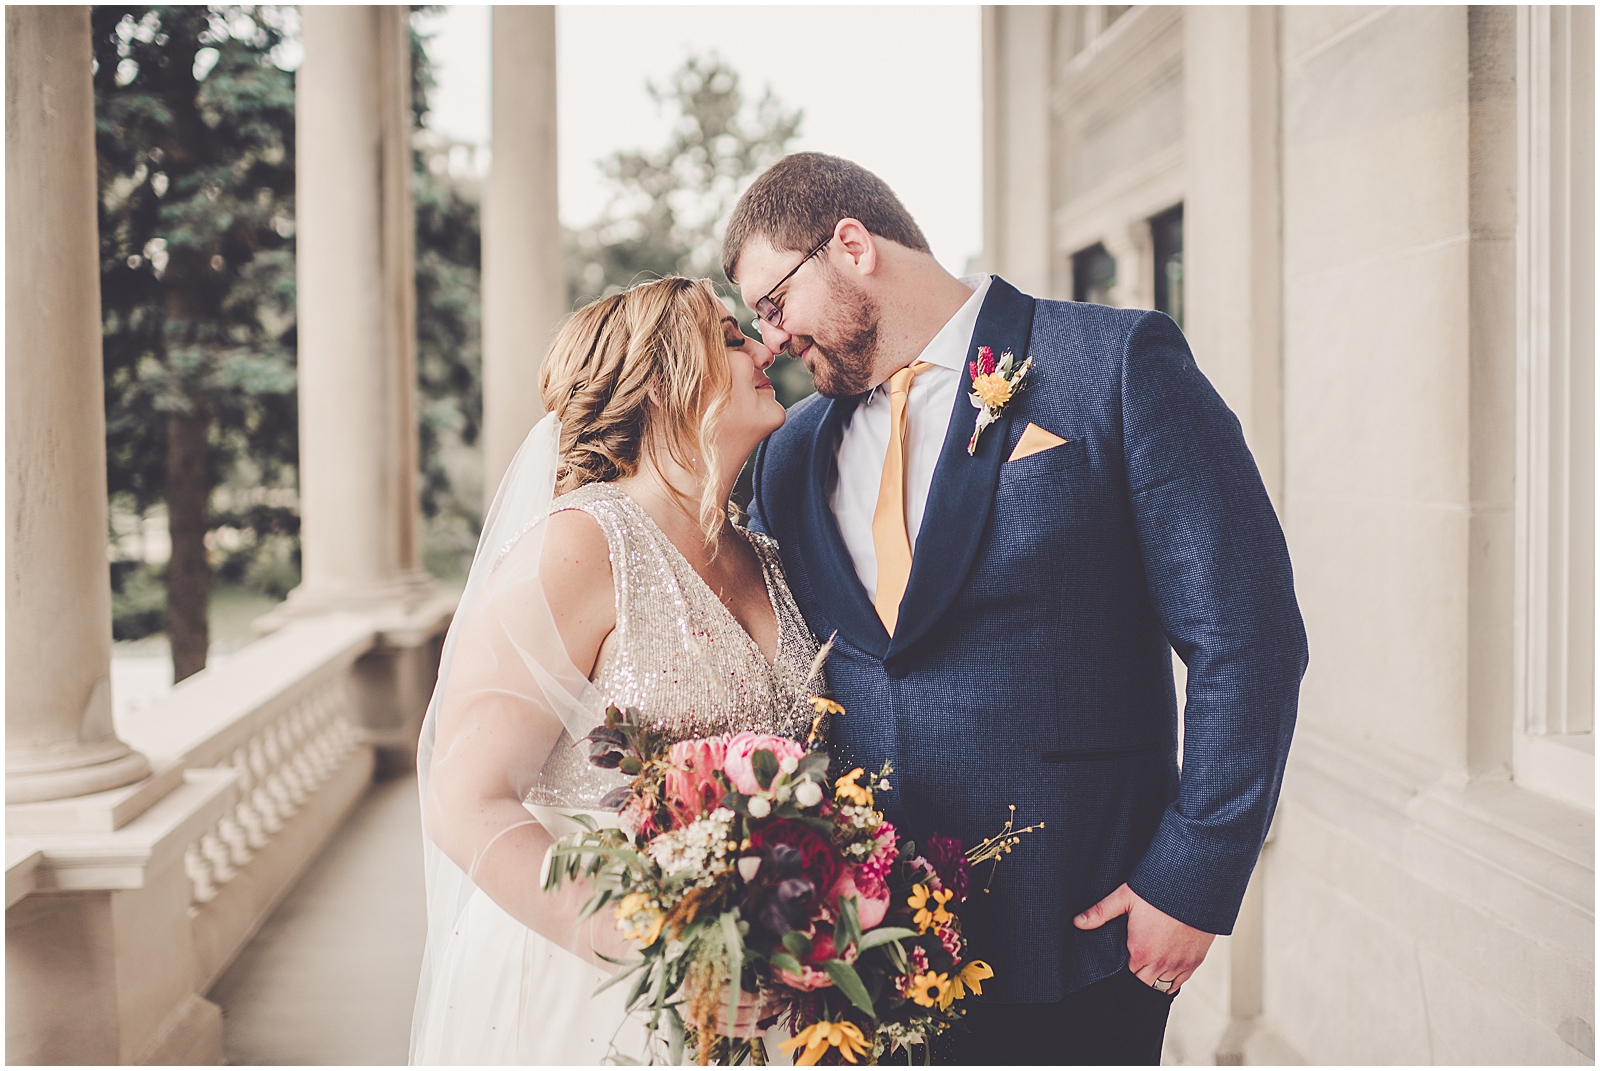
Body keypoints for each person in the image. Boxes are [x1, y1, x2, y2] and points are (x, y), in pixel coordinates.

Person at [728, 153, 1308, 1065]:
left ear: (851, 245)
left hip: (1078, 931)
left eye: (772, 304)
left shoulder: (1112, 363)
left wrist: (1193, 875)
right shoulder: (790, 452)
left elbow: (1247, 631)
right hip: (857, 956)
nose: (768, 341)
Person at [410, 277, 822, 1064]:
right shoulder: (580, 545)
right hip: (597, 986)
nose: (767, 346)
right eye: (733, 338)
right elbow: (464, 797)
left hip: (762, 987)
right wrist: (644, 938)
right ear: (665, 381)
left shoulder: (765, 555)